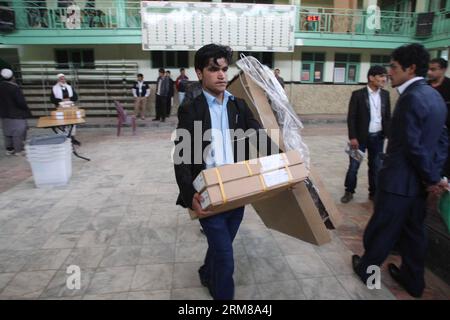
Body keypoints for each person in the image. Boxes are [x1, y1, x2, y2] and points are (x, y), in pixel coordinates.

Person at [173, 44, 274, 300]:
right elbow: (182, 157)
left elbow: (260, 139)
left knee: (222, 246)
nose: (221, 75)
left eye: (224, 69)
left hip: (237, 190)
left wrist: (288, 163)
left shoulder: (238, 106)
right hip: (208, 192)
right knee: (227, 259)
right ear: (199, 73)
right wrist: (189, 194)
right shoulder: (191, 109)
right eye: (213, 69)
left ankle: (206, 272)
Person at [352, 43, 448, 298]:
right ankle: (414, 282)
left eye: (393, 67)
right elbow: (442, 140)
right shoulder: (434, 96)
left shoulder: (411, 98)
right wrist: (433, 177)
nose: (389, 73)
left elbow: (412, 147)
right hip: (418, 186)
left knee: (381, 231)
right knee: (414, 234)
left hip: (398, 184)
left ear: (411, 68)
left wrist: (433, 177)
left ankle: (366, 271)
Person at [341, 65, 391, 203]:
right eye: (381, 76)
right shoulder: (357, 94)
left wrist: (388, 133)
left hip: (378, 138)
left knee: (376, 167)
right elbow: (351, 117)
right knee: (353, 167)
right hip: (359, 139)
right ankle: (349, 191)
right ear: (371, 77)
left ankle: (373, 193)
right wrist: (352, 137)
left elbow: (387, 117)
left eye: (385, 76)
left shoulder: (385, 95)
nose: (384, 79)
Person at [0, 69, 32, 156]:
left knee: (7, 132)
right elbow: (21, 102)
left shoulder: (1, 86)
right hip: (16, 114)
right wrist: (26, 110)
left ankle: (9, 149)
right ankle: (19, 150)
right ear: (12, 77)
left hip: (4, 114)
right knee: (18, 132)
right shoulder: (14, 88)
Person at [428, 58, 450, 177]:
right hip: (427, 135)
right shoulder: (424, 87)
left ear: (443, 70)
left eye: (433, 69)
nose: (429, 72)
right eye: (429, 69)